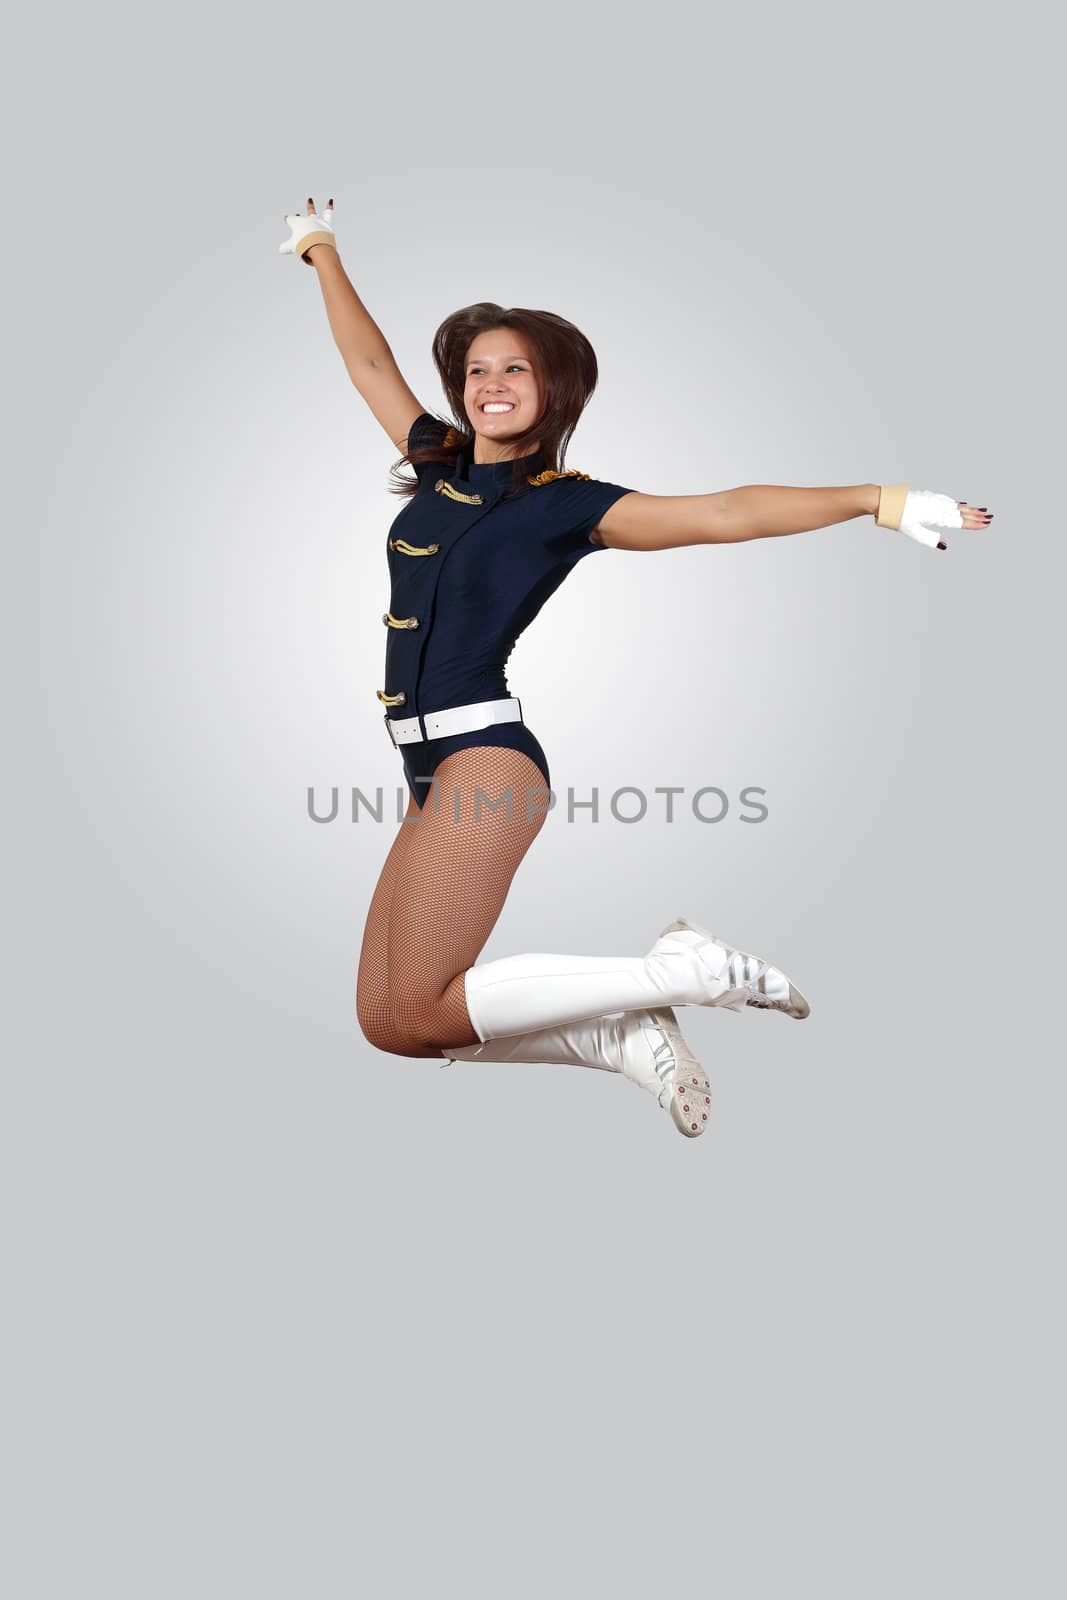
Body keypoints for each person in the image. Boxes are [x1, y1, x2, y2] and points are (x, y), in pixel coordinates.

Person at [280, 198, 994, 1139]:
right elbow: (367, 362)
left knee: (415, 1005)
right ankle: (616, 1040)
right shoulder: (437, 461)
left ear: (555, 391)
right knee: (393, 1023)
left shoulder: (566, 505)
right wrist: (320, 251)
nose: (490, 383)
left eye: (515, 369)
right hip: (421, 775)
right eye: (476, 369)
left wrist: (878, 498)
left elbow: (725, 511)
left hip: (482, 759)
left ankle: (680, 972)